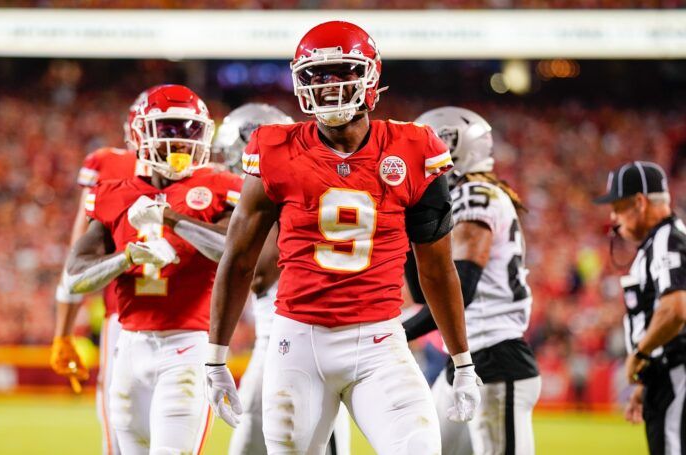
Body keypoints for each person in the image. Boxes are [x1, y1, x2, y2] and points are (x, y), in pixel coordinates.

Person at [205, 21, 481, 455]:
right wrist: (216, 356)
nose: (328, 87)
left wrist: (462, 359)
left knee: (420, 448)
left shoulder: (414, 148)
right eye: (316, 76)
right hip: (297, 340)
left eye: (341, 73)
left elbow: (436, 267)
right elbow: (238, 260)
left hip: (379, 342)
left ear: (371, 77)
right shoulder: (275, 148)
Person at [66, 84, 243, 454]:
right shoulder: (113, 191)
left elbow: (235, 252)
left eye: (190, 130)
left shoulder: (219, 187)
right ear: (140, 134)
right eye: (169, 129)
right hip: (129, 348)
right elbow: (76, 276)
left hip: (187, 345)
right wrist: (127, 258)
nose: (180, 141)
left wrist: (171, 219)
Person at [215, 102, 352, 455]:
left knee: (315, 438)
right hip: (274, 335)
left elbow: (259, 274)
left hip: (299, 333)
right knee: (249, 444)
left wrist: (175, 222)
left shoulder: (287, 194)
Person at [403, 107, 541, 455]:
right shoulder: (469, 195)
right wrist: (411, 227)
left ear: (453, 148)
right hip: (468, 357)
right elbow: (425, 292)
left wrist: (395, 333)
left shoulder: (475, 194)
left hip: (495, 358)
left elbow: (459, 291)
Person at [50, 86, 156, 455]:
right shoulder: (209, 179)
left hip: (124, 322)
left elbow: (77, 260)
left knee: (122, 438)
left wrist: (63, 332)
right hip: (188, 328)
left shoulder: (108, 165)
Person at [594, 161, 686, 455]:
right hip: (666, 375)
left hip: (677, 373)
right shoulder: (657, 243)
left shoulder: (667, 239)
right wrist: (647, 383)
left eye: (618, 208)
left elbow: (676, 309)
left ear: (639, 202)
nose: (613, 218)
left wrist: (640, 354)